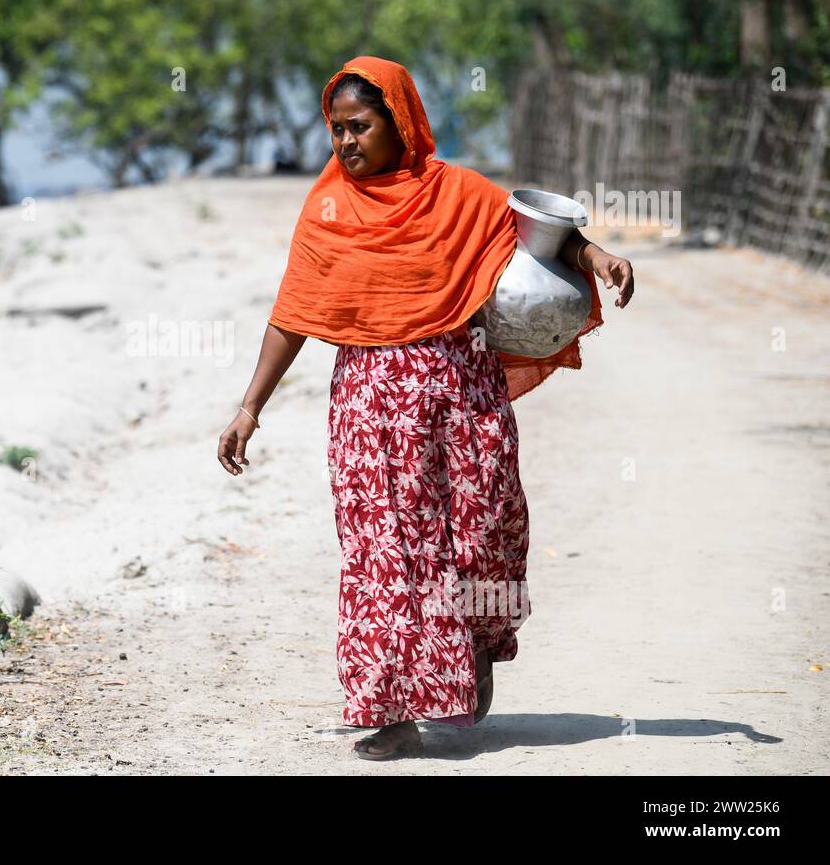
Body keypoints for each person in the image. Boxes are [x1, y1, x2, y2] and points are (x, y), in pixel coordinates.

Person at [216, 55, 635, 761]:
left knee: (473, 540)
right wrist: (250, 406)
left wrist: (598, 258)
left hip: (460, 397)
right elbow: (293, 313)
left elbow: (537, 231)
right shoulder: (327, 211)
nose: (347, 142)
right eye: (337, 129)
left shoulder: (458, 194)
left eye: (361, 126)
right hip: (368, 409)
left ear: (400, 121)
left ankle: (466, 661)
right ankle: (396, 710)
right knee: (385, 556)